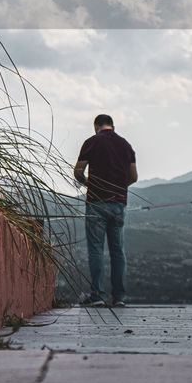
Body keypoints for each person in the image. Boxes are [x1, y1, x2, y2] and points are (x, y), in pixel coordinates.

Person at [73, 113, 137, 307]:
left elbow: (78, 171)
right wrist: (118, 187)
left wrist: (89, 185)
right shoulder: (126, 145)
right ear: (112, 126)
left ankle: (98, 295)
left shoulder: (92, 142)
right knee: (118, 251)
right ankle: (119, 297)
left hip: (96, 203)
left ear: (96, 126)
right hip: (119, 203)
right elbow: (133, 176)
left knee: (96, 250)